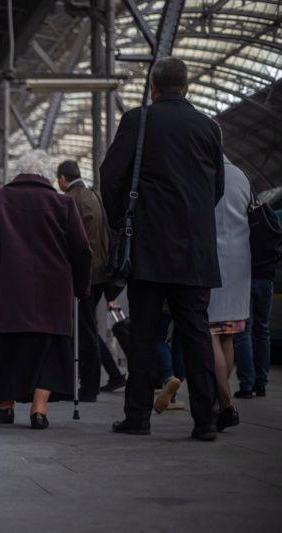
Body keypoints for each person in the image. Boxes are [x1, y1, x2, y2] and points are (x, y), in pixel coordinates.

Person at [100, 57, 224, 441]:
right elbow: (216, 188)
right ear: (186, 87)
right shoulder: (208, 128)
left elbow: (110, 177)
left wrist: (124, 221)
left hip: (149, 248)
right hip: (195, 253)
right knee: (196, 334)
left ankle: (138, 416)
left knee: (143, 335)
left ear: (153, 86)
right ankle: (205, 421)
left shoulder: (138, 122)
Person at [0, 150, 92, 429]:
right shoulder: (63, 204)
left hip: (12, 292)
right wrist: (80, 286)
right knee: (50, 350)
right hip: (55, 291)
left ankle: (6, 405)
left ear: (18, 172)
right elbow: (82, 251)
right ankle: (39, 410)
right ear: (47, 176)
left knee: (12, 349)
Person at [57, 159, 125, 401]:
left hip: (83, 274)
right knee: (86, 328)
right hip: (101, 273)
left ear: (63, 178)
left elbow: (72, 241)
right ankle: (103, 378)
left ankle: (89, 387)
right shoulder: (94, 196)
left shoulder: (69, 200)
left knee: (83, 331)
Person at [207, 156, 251, 431]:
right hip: (240, 261)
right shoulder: (242, 176)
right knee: (228, 335)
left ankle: (224, 404)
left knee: (209, 331)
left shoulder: (206, 174)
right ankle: (217, 402)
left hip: (213, 260)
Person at [234, 211, 279, 399]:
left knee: (243, 331)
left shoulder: (242, 218)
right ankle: (261, 383)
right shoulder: (268, 215)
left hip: (246, 278)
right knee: (263, 331)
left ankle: (246, 384)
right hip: (267, 279)